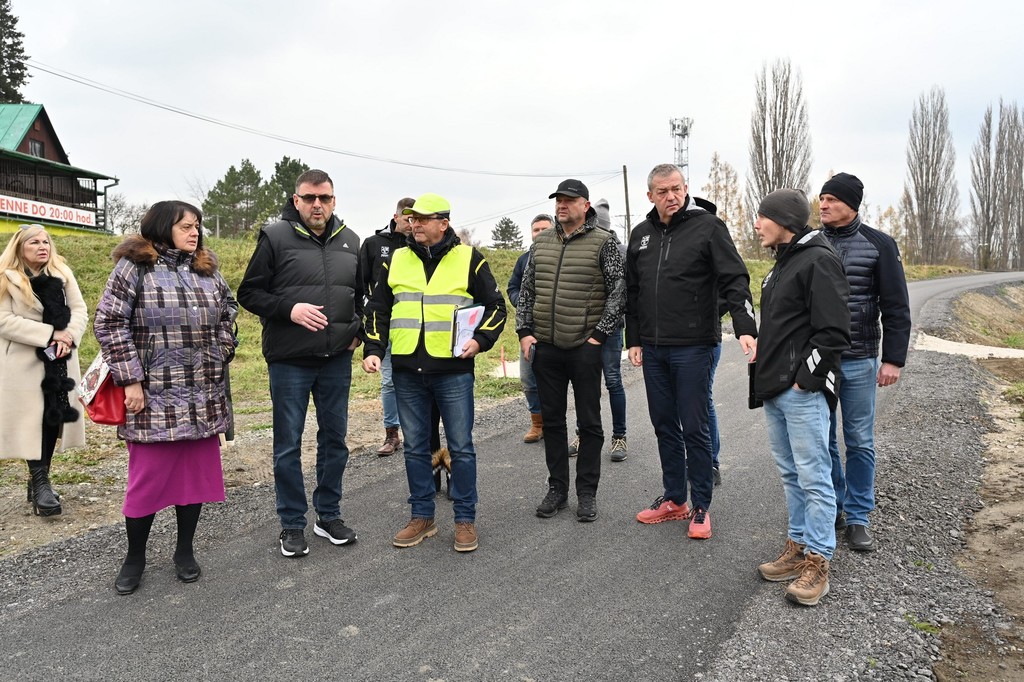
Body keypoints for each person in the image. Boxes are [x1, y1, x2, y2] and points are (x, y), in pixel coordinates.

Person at [93, 201, 236, 595]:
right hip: (152, 394)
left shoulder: (206, 268)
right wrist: (130, 380)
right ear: (162, 227)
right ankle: (134, 557)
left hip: (202, 392)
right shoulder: (134, 266)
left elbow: (228, 309)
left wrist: (222, 348)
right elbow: (109, 322)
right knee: (147, 482)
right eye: (186, 226)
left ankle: (184, 551)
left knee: (194, 480)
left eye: (197, 226)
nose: (195, 232)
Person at [363, 193, 506, 552]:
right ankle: (422, 516)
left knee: (461, 447)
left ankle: (465, 520)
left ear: (443, 223)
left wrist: (481, 340)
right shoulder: (397, 259)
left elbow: (496, 306)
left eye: (423, 219)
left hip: (452, 370)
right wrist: (374, 349)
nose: (415, 224)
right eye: (412, 219)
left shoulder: (469, 259)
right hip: (407, 371)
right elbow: (378, 308)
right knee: (415, 448)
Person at [626, 165, 756, 539]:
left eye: (677, 188)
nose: (671, 196)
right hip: (653, 348)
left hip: (694, 346)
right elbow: (633, 291)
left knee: (695, 427)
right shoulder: (641, 235)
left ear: (686, 189)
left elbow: (735, 278)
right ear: (650, 196)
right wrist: (633, 338)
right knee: (664, 424)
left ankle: (700, 506)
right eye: (662, 191)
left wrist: (745, 326)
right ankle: (674, 498)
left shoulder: (708, 227)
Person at [237, 169, 363, 558]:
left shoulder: (351, 241)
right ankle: (292, 523)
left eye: (324, 198)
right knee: (288, 444)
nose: (317, 205)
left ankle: (329, 515)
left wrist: (358, 331)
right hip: (290, 360)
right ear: (296, 200)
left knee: (335, 440)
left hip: (336, 359)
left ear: (334, 200)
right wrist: (289, 309)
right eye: (309, 198)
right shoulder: (275, 237)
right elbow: (249, 293)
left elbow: (361, 296)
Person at [751, 189, 851, 606]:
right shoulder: (785, 261)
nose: (757, 224)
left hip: (800, 393)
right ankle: (797, 548)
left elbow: (833, 332)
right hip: (776, 390)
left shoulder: (818, 260)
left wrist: (803, 381)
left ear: (784, 221)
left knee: (814, 476)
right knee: (792, 474)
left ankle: (818, 561)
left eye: (762, 217)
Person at [517, 179, 626, 522]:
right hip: (546, 347)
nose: (562, 205)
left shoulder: (604, 242)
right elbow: (527, 290)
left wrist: (598, 338)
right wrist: (524, 333)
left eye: (569, 200)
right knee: (552, 422)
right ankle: (557, 490)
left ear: (585, 205)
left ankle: (587, 493)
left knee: (590, 423)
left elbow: (618, 292)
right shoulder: (541, 243)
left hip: (583, 347)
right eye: (558, 200)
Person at [819, 172, 911, 551]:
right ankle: (835, 505)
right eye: (821, 198)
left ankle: (858, 516)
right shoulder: (811, 241)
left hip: (860, 359)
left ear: (852, 205)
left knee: (858, 440)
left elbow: (896, 306)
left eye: (831, 199)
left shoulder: (880, 244)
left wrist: (893, 359)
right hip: (819, 360)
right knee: (822, 439)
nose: (823, 205)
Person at [0, 225, 87, 517]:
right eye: (34, 242)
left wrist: (68, 336)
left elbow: (80, 310)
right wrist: (50, 333)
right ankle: (41, 483)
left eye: (46, 242)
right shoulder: (6, 277)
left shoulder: (62, 273)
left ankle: (39, 481)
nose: (42, 247)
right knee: (32, 419)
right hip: (23, 363)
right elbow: (3, 320)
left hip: (59, 360)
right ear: (20, 247)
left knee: (53, 415)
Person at [359, 197, 415, 456]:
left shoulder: (421, 245)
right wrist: (365, 317)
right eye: (407, 219)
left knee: (416, 379)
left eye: (415, 219)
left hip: (414, 325)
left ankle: (417, 432)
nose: (412, 224)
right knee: (389, 381)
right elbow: (360, 284)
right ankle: (392, 434)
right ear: (395, 217)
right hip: (384, 324)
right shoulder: (373, 244)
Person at [506, 213, 552, 443]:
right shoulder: (523, 260)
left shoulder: (561, 256)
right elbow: (512, 287)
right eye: (536, 230)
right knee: (528, 379)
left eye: (545, 229)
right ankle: (537, 423)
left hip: (554, 331)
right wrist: (521, 302)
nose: (540, 233)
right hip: (528, 330)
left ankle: (554, 423)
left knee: (553, 380)